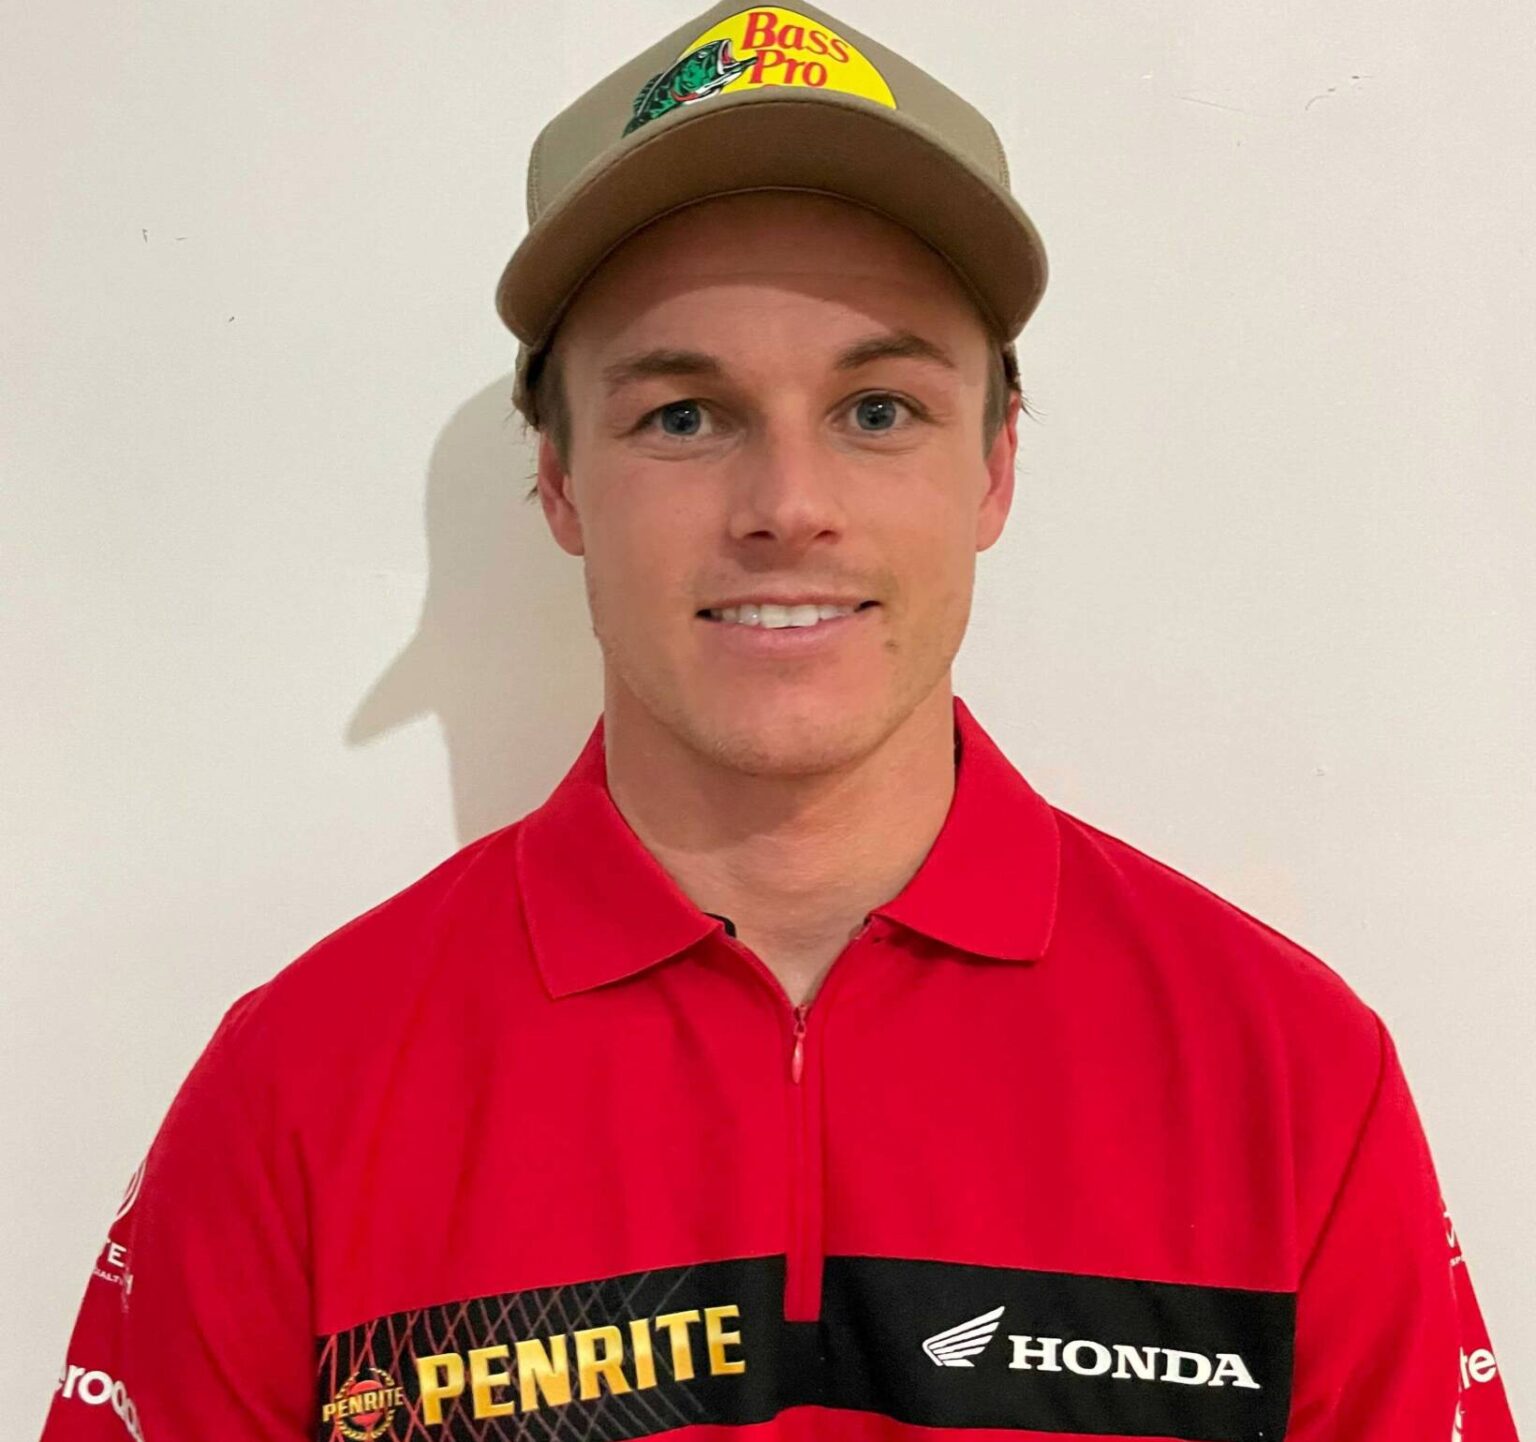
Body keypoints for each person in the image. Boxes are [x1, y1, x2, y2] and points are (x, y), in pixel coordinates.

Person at [40, 4, 1520, 1440]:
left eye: (878, 409)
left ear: (995, 467)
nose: (788, 506)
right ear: (558, 480)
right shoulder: (298, 1091)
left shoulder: (1290, 1078)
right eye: (683, 415)